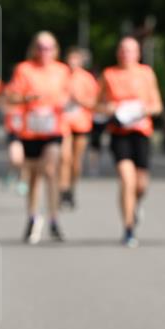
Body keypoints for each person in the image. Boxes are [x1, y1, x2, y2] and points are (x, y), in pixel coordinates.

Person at [96, 36, 163, 247]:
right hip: (119, 132)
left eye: (131, 50)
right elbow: (97, 105)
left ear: (138, 54)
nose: (126, 54)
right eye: (123, 50)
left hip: (141, 131)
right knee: (127, 179)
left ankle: (135, 204)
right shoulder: (109, 74)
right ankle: (128, 228)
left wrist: (142, 110)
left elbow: (157, 105)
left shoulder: (146, 73)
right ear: (118, 53)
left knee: (140, 183)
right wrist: (110, 109)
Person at [6, 31, 71, 243]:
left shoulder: (62, 71)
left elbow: (70, 96)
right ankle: (33, 217)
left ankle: (53, 218)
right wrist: (27, 98)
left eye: (49, 47)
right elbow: (12, 97)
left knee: (50, 169)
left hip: (53, 128)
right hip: (31, 129)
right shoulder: (24, 69)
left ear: (56, 50)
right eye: (41, 47)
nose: (45, 52)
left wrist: (63, 104)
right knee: (33, 176)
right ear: (34, 48)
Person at [59, 47, 98, 208]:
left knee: (76, 161)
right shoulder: (60, 76)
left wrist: (79, 100)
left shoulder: (87, 79)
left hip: (81, 123)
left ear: (81, 62)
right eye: (70, 59)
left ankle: (72, 188)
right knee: (65, 158)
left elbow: (95, 103)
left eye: (76, 59)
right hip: (63, 122)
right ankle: (63, 190)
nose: (73, 62)